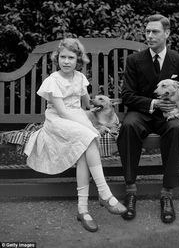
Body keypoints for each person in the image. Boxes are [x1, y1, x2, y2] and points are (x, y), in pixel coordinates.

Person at [24, 38, 126, 232]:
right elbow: (62, 112)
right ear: (57, 58)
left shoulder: (79, 78)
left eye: (71, 57)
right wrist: (91, 128)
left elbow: (87, 105)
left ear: (78, 59)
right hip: (58, 120)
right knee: (89, 137)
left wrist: (103, 111)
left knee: (84, 151)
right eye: (63, 57)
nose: (66, 61)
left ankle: (83, 209)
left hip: (77, 118)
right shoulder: (53, 80)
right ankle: (105, 194)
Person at [117, 14, 179, 224]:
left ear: (167, 33)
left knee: (176, 129)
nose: (150, 35)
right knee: (128, 126)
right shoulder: (134, 60)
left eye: (155, 31)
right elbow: (127, 95)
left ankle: (167, 193)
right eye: (147, 31)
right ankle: (130, 191)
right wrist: (153, 104)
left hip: (171, 114)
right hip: (143, 112)